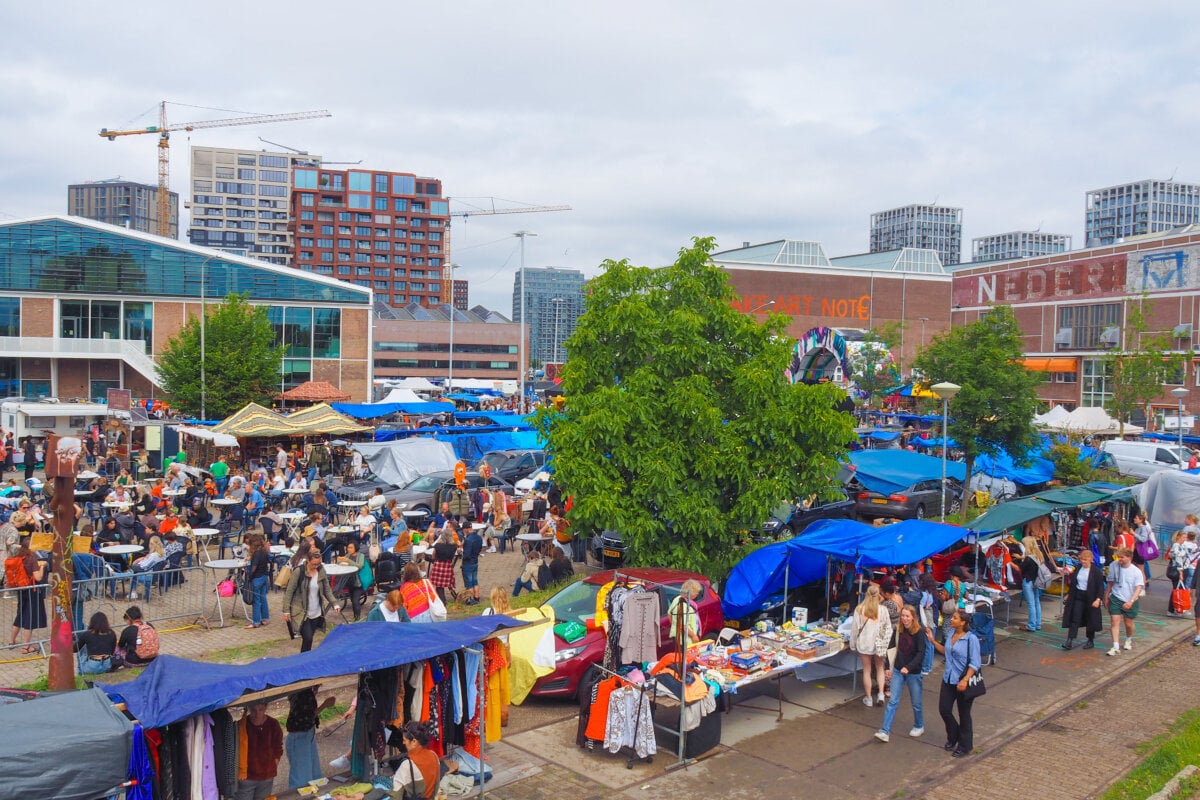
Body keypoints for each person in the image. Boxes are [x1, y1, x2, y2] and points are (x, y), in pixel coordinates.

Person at [927, 608, 981, 758]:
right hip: (948, 679)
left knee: (964, 714)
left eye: (955, 618)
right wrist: (932, 641)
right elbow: (946, 651)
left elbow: (975, 663)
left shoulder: (971, 639)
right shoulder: (951, 634)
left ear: (963, 622)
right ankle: (954, 736)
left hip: (963, 682)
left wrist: (964, 680)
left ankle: (965, 745)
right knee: (944, 709)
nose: (951, 620)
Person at [875, 606, 927, 742]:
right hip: (898, 670)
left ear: (913, 617)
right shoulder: (898, 629)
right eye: (903, 616)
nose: (904, 619)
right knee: (893, 701)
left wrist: (908, 668)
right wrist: (887, 667)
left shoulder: (919, 633)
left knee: (916, 702)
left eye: (907, 616)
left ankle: (919, 725)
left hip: (913, 672)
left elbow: (921, 653)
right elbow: (891, 647)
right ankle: (885, 730)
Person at [283, 551, 340, 652]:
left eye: (318, 563)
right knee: (308, 638)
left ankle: (306, 657)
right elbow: (289, 591)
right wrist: (286, 610)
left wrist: (335, 603)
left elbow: (327, 590)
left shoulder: (321, 570)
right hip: (302, 612)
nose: (316, 566)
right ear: (307, 561)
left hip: (316, 612)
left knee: (309, 639)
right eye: (314, 564)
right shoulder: (298, 572)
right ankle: (304, 659)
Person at [851, 583, 893, 707]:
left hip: (864, 644)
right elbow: (889, 628)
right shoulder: (883, 610)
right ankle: (880, 694)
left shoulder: (859, 609)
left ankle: (868, 698)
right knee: (880, 668)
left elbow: (854, 630)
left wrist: (853, 645)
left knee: (867, 671)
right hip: (879, 644)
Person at [285, 688, 335, 789]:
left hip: (307, 733)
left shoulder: (301, 690)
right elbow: (306, 715)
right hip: (299, 736)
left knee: (313, 771)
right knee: (301, 777)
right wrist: (325, 704)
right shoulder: (301, 692)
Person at [237, 701, 283, 800]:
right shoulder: (242, 725)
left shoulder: (273, 724)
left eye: (260, 710)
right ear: (248, 708)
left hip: (266, 776)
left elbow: (278, 746)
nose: (257, 714)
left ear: (266, 707)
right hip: (246, 777)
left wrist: (274, 762)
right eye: (253, 710)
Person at [1061, 548, 1105, 650]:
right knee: (1075, 617)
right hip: (1078, 595)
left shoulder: (1096, 572)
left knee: (1090, 618)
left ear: (1091, 559)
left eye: (1085, 560)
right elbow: (1073, 583)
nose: (1083, 561)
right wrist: (1068, 594)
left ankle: (1090, 640)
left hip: (1091, 597)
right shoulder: (1078, 568)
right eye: (1082, 559)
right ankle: (1069, 640)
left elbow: (1100, 587)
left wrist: (1098, 599)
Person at [1106, 547, 1145, 656]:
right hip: (1116, 597)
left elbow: (1138, 588)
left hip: (1129, 599)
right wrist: (1106, 596)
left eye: (1122, 557)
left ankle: (1128, 639)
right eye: (1118, 557)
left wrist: (1131, 601)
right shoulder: (1114, 565)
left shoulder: (1136, 571)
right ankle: (1115, 646)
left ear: (1129, 558)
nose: (1119, 559)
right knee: (1114, 621)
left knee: (1128, 624)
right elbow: (1110, 582)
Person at [6, 543, 45, 653]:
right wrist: (42, 566)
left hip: (21, 589)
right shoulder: (32, 558)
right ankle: (26, 647)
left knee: (20, 615)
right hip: (31, 591)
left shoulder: (18, 557)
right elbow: (38, 577)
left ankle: (11, 641)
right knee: (30, 618)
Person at [394, 720, 443, 799]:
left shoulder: (407, 765)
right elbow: (436, 788)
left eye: (404, 740)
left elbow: (396, 796)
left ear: (414, 741)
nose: (403, 743)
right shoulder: (434, 756)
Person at [244, 534, 271, 629]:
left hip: (257, 579)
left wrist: (249, 578)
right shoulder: (265, 552)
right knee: (263, 598)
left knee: (256, 601)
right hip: (264, 577)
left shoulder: (256, 554)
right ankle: (265, 618)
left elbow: (254, 568)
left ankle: (256, 622)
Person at [668, 578, 702, 646]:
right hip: (685, 639)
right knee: (686, 656)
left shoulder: (677, 599)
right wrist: (693, 636)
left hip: (680, 636)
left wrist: (674, 625)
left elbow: (669, 614)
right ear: (691, 591)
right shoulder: (683, 605)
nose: (698, 594)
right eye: (696, 591)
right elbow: (683, 625)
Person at [339, 540, 367, 621]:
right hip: (350, 581)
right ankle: (355, 618)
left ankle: (357, 619)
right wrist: (340, 560)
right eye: (348, 547)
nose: (348, 549)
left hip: (358, 582)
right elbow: (343, 563)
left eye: (351, 547)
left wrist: (349, 561)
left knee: (355, 601)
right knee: (353, 600)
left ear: (356, 548)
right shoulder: (348, 555)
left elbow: (360, 566)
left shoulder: (360, 556)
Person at [430, 530, 458, 603]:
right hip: (448, 566)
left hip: (438, 566)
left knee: (438, 586)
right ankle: (454, 596)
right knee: (448, 583)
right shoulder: (454, 546)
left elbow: (433, 557)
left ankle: (442, 600)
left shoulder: (438, 546)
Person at [461, 522, 483, 605]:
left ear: (466, 529)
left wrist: (461, 552)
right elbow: (480, 549)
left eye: (463, 529)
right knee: (475, 581)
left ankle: (470, 599)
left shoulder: (468, 540)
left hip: (468, 563)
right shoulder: (479, 537)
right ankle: (476, 597)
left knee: (469, 583)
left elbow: (466, 555)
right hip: (475, 561)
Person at [1133, 512, 1155, 582]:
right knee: (1135, 567)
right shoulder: (1137, 528)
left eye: (1136, 518)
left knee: (1141, 568)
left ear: (1141, 520)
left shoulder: (1143, 528)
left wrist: (1134, 534)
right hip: (1136, 550)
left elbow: (1143, 539)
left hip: (1140, 550)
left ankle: (1142, 586)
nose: (1134, 519)